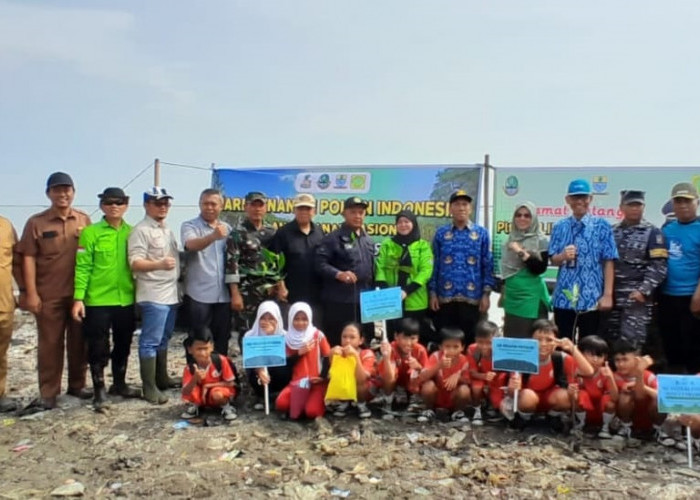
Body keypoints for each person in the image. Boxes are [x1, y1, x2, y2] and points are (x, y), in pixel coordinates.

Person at [18, 172, 92, 411]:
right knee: (50, 344)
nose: (63, 194)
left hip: (78, 294)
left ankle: (77, 386)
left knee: (79, 342)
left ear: (73, 192)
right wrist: (30, 292)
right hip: (48, 293)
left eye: (67, 189)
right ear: (48, 193)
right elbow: (27, 257)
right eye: (57, 190)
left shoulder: (83, 220)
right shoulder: (36, 223)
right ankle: (49, 392)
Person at [72, 187, 140, 411]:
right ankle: (99, 389)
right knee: (98, 346)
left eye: (119, 202)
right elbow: (83, 267)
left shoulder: (132, 232)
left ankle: (119, 384)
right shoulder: (90, 233)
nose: (114, 206)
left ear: (126, 205)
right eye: (109, 202)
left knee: (123, 343)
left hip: (125, 299)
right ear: (102, 205)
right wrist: (78, 298)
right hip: (97, 300)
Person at [128, 187, 180, 405]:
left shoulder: (166, 229)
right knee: (149, 341)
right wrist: (159, 264)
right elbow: (135, 262)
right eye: (157, 203)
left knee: (164, 338)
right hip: (153, 293)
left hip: (171, 293)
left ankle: (161, 378)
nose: (162, 207)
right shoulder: (140, 230)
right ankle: (148, 387)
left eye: (166, 203)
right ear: (146, 205)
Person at [549, 179, 618, 340]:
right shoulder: (560, 227)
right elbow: (553, 260)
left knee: (590, 348)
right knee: (564, 346)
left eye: (583, 197)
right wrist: (563, 256)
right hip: (564, 299)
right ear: (568, 200)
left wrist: (607, 294)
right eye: (575, 197)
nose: (579, 201)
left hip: (591, 298)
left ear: (590, 199)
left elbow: (609, 261)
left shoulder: (602, 226)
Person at [429, 190, 494, 346]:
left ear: (470, 208)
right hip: (445, 298)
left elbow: (488, 264)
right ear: (450, 209)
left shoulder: (481, 234)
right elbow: (434, 264)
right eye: (457, 204)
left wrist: (486, 294)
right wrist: (432, 293)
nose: (461, 208)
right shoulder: (441, 234)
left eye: (465, 204)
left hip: (473, 298)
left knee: (470, 340)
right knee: (445, 339)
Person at [505, 319, 593, 431]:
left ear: (556, 342)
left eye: (549, 340)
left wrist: (572, 348)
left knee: (566, 395)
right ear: (530, 340)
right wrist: (513, 388)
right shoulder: (522, 358)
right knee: (528, 396)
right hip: (527, 400)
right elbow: (512, 393)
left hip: (550, 398)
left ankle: (553, 417)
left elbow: (588, 372)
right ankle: (524, 418)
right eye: (538, 340)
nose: (543, 344)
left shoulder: (561, 358)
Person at [607, 190, 667, 351]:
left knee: (632, 346)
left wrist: (643, 290)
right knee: (611, 344)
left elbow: (659, 266)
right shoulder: (612, 231)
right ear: (621, 207)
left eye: (638, 205)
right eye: (631, 204)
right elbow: (606, 262)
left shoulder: (653, 233)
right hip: (612, 298)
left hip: (636, 300)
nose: (635, 208)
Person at [315, 197, 375, 346]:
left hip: (364, 302)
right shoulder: (332, 238)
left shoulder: (367, 240)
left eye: (361, 212)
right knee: (338, 342)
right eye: (353, 212)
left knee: (362, 341)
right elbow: (319, 264)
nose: (357, 216)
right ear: (343, 214)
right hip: (339, 302)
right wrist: (339, 274)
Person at [225, 191, 282, 342]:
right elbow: (232, 265)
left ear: (265, 208)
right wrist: (235, 294)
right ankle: (250, 366)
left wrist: (279, 285)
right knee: (247, 333)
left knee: (270, 330)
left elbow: (277, 262)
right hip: (246, 293)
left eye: (260, 205)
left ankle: (267, 366)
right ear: (246, 207)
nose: (257, 209)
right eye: (253, 205)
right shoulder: (237, 233)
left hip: (269, 292)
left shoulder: (272, 233)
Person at [181, 188, 232, 356]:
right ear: (199, 205)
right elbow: (190, 245)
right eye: (205, 203)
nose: (209, 207)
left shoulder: (228, 229)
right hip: (199, 295)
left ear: (221, 206)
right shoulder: (189, 225)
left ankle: (221, 376)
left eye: (213, 204)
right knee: (198, 339)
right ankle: (195, 378)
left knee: (222, 339)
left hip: (224, 295)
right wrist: (212, 236)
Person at [659, 182, 700, 373]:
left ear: (697, 202)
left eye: (687, 201)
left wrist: (698, 296)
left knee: (694, 348)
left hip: (693, 297)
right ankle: (674, 393)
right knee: (671, 344)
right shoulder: (666, 230)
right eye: (678, 201)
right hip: (667, 297)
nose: (682, 205)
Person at [375, 210, 434, 342]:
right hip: (391, 300)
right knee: (392, 336)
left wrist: (407, 291)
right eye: (399, 222)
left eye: (406, 222)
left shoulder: (423, 246)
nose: (403, 225)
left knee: (414, 338)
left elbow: (425, 271)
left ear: (413, 224)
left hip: (415, 301)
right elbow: (380, 267)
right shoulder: (387, 244)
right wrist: (385, 293)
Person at [269, 193, 325, 322]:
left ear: (314, 211)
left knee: (313, 332)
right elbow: (275, 263)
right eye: (300, 208)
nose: (304, 212)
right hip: (290, 294)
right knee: (291, 332)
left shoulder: (319, 232)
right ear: (294, 210)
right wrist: (281, 286)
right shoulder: (283, 233)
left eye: (308, 208)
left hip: (316, 295)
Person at [500, 202, 551, 338]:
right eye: (519, 215)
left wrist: (520, 251)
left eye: (527, 215)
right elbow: (506, 272)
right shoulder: (508, 240)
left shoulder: (541, 240)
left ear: (533, 218)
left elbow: (539, 269)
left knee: (533, 341)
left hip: (531, 299)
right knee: (512, 340)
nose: (522, 218)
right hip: (512, 297)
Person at [275, 302, 331, 419]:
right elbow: (284, 364)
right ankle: (299, 406)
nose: (300, 323)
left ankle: (309, 405)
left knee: (312, 412)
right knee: (281, 403)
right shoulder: (287, 339)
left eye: (304, 319)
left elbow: (328, 356)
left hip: (315, 383)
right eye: (297, 319)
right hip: (296, 384)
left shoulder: (317, 335)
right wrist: (298, 354)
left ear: (310, 319)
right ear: (291, 319)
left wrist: (323, 376)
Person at [611, 342, 669, 444]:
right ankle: (625, 428)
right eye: (617, 360)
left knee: (659, 400)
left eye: (625, 360)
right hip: (628, 417)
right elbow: (639, 395)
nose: (620, 364)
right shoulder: (615, 377)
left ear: (637, 360)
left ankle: (656, 430)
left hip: (649, 416)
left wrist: (640, 376)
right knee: (625, 396)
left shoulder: (649, 376)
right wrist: (639, 374)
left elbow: (663, 397)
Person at [181, 326, 237, 421]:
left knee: (217, 395)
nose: (203, 353)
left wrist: (208, 386)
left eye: (205, 348)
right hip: (202, 395)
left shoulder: (221, 361)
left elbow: (231, 383)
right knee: (191, 389)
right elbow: (185, 392)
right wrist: (195, 378)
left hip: (216, 392)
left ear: (212, 347)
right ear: (190, 349)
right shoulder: (190, 368)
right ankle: (196, 405)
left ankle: (225, 406)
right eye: (199, 349)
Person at [417, 327, 472, 423]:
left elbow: (469, 381)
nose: (451, 350)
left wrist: (458, 377)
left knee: (465, 390)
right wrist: (439, 365)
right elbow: (423, 377)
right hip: (437, 395)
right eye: (447, 346)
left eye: (456, 347)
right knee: (428, 385)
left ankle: (457, 413)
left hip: (453, 396)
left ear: (462, 347)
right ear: (440, 346)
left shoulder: (464, 360)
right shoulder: (435, 356)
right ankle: (429, 410)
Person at [243, 301, 291, 411]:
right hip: (259, 370)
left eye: (271, 319)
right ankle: (262, 396)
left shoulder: (285, 335)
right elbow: (250, 359)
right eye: (263, 318)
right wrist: (259, 370)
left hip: (278, 370)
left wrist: (272, 336)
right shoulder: (250, 335)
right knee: (257, 378)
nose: (266, 322)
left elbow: (286, 357)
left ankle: (278, 393)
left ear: (277, 319)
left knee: (282, 370)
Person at [376, 317, 428, 412]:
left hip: (411, 383)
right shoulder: (390, 348)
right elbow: (385, 374)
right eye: (405, 338)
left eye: (413, 339)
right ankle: (388, 400)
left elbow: (428, 373)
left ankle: (415, 399)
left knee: (416, 372)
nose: (409, 343)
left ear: (418, 338)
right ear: (396, 336)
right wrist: (386, 357)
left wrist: (418, 367)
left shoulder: (420, 350)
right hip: (394, 382)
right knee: (388, 370)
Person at [327, 322, 376, 419]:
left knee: (359, 380)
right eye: (344, 337)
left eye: (352, 337)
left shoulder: (367, 353)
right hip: (348, 387)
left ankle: (362, 404)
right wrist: (331, 356)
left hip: (365, 389)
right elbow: (331, 375)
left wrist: (356, 357)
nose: (347, 341)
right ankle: (343, 402)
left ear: (360, 340)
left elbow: (362, 378)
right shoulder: (339, 352)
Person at [572, 335, 618, 438]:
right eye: (591, 355)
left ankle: (605, 427)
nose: (595, 359)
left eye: (599, 356)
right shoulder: (575, 371)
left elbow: (615, 398)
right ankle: (580, 424)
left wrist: (610, 378)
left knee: (609, 401)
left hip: (601, 412)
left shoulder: (605, 373)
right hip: (584, 411)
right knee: (579, 394)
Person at [0, 215, 22, 412]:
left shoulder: (5, 226)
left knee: (1, 350)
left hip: (3, 302)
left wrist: (23, 291)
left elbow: (16, 263)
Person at [467, 320, 507, 426]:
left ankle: (492, 404)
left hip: (497, 381)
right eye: (480, 342)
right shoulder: (472, 350)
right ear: (476, 340)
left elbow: (505, 372)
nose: (484, 346)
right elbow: (472, 372)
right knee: (476, 387)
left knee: (498, 404)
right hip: (480, 379)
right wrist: (484, 376)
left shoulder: (502, 350)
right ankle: (477, 409)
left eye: (489, 343)